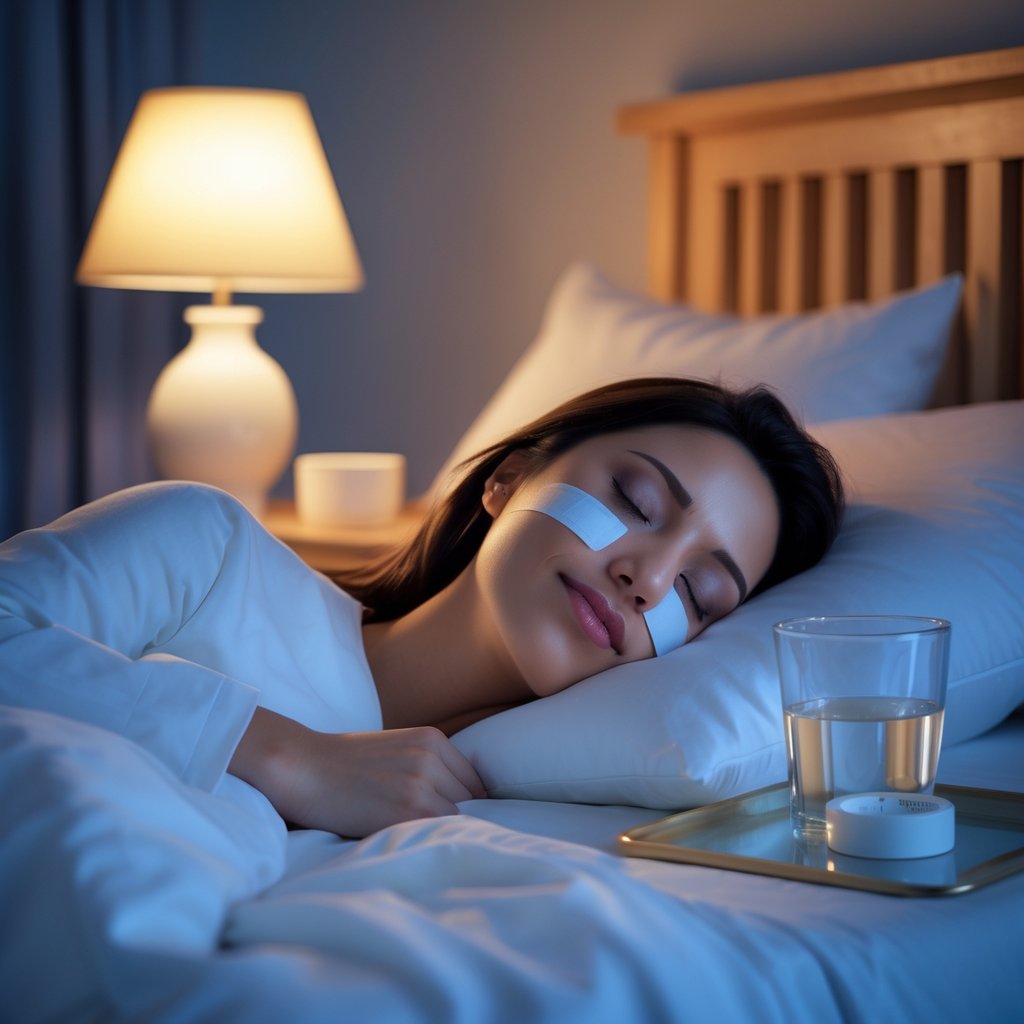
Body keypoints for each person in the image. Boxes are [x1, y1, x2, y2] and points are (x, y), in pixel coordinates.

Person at [0, 377, 843, 838]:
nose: (648, 579)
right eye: (633, 498)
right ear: (508, 481)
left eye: (700, 593)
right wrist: (286, 757)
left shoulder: (517, 823)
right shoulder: (208, 547)